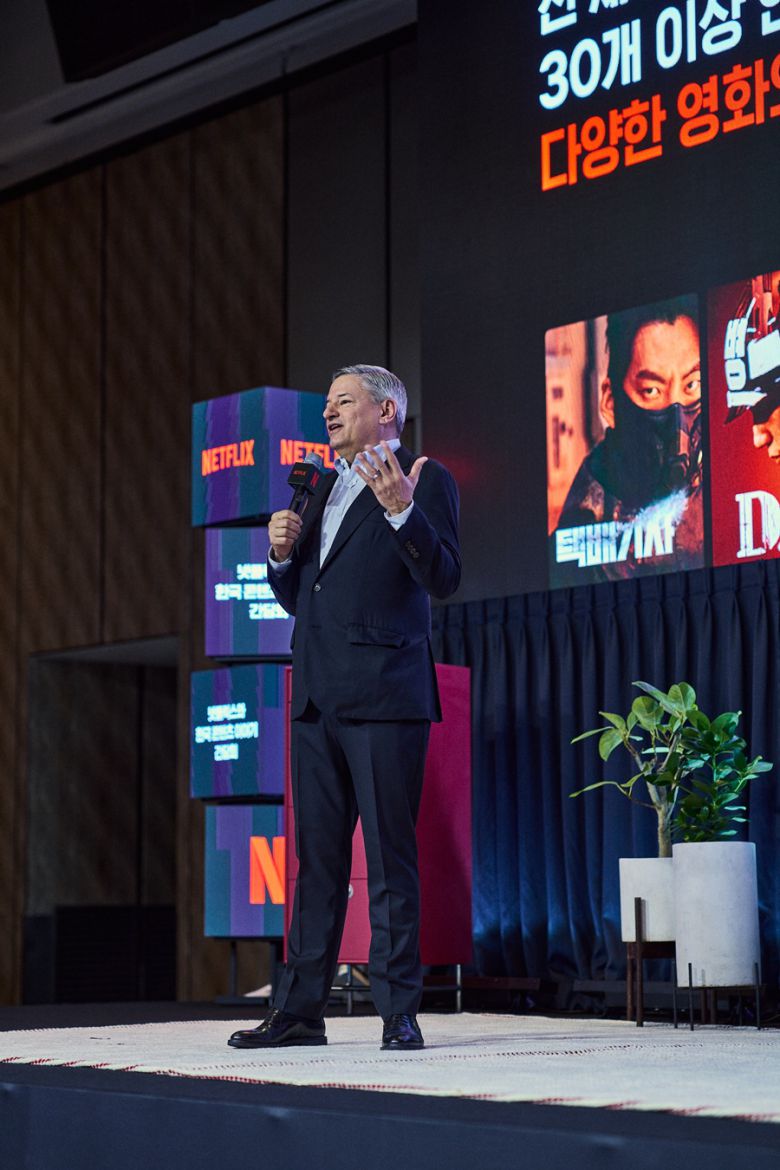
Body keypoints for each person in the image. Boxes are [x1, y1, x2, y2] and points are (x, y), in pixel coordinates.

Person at [228, 364, 460, 1052]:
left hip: (385, 696)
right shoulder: (322, 487)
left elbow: (444, 577)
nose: (328, 412)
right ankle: (300, 1012)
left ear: (386, 410)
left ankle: (398, 1012)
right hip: (317, 699)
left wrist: (402, 512)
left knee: (389, 860)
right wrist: (280, 557)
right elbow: (305, 598)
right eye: (327, 403)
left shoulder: (423, 478)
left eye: (343, 401)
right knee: (317, 865)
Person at [551, 295, 703, 584]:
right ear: (610, 402)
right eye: (651, 390)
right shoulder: (575, 553)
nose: (678, 419)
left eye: (692, 385)